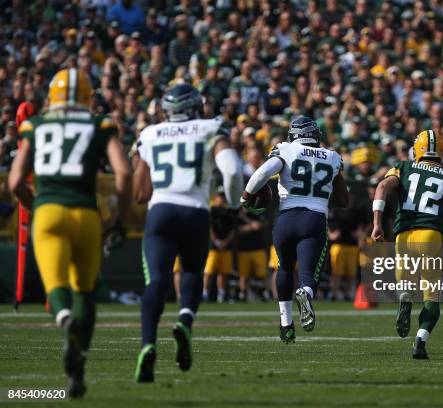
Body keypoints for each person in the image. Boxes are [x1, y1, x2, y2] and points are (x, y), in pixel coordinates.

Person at [8, 68, 132, 398]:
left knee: (57, 286)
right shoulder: (99, 125)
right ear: (87, 97)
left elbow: (15, 182)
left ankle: (65, 322)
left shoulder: (35, 125)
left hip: (48, 210)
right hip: (86, 213)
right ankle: (79, 366)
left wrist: (37, 207)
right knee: (85, 291)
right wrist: (119, 218)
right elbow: (123, 172)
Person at [132, 84, 242, 382]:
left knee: (156, 280)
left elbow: (140, 193)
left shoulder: (150, 133)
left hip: (162, 211)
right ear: (195, 105)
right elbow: (232, 170)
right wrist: (232, 209)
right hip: (195, 210)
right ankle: (184, 320)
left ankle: (148, 345)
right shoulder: (211, 127)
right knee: (192, 271)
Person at [241, 116, 348, 343]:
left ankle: (285, 324)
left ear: (293, 135)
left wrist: (246, 197)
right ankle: (306, 293)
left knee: (284, 268)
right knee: (309, 274)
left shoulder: (285, 149)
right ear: (316, 136)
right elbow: (344, 200)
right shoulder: (332, 156)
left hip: (286, 218)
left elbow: (262, 172)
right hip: (314, 218)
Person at [371, 129, 443, 359]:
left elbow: (382, 187)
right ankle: (421, 338)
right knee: (432, 294)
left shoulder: (403, 167)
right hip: (431, 234)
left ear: (417, 149)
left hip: (404, 234)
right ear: (441, 151)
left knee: (406, 283)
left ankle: (404, 295)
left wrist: (377, 224)